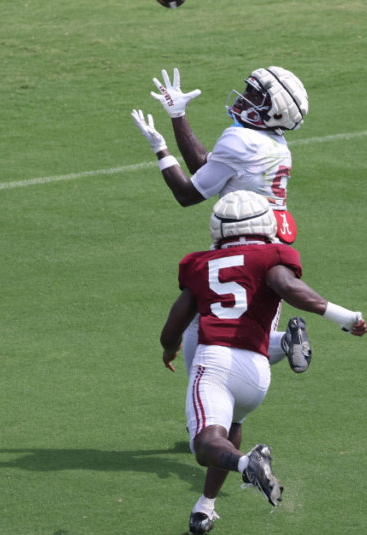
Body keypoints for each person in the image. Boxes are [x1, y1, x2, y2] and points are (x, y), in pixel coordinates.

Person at [159, 191, 367, 535]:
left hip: (216, 363)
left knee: (204, 444)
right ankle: (206, 506)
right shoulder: (273, 254)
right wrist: (346, 318)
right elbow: (289, 287)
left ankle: (246, 462)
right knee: (230, 426)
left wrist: (169, 349)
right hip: (257, 372)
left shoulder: (200, 264)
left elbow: (173, 327)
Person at [132, 66, 312, 373]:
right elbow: (206, 165)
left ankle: (278, 345)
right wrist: (178, 115)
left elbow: (188, 194)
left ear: (275, 112)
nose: (245, 97)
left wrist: (159, 148)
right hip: (270, 246)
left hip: (245, 248)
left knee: (219, 333)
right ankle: (279, 344)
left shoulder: (243, 140)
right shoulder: (274, 145)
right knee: (221, 328)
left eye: (256, 96)